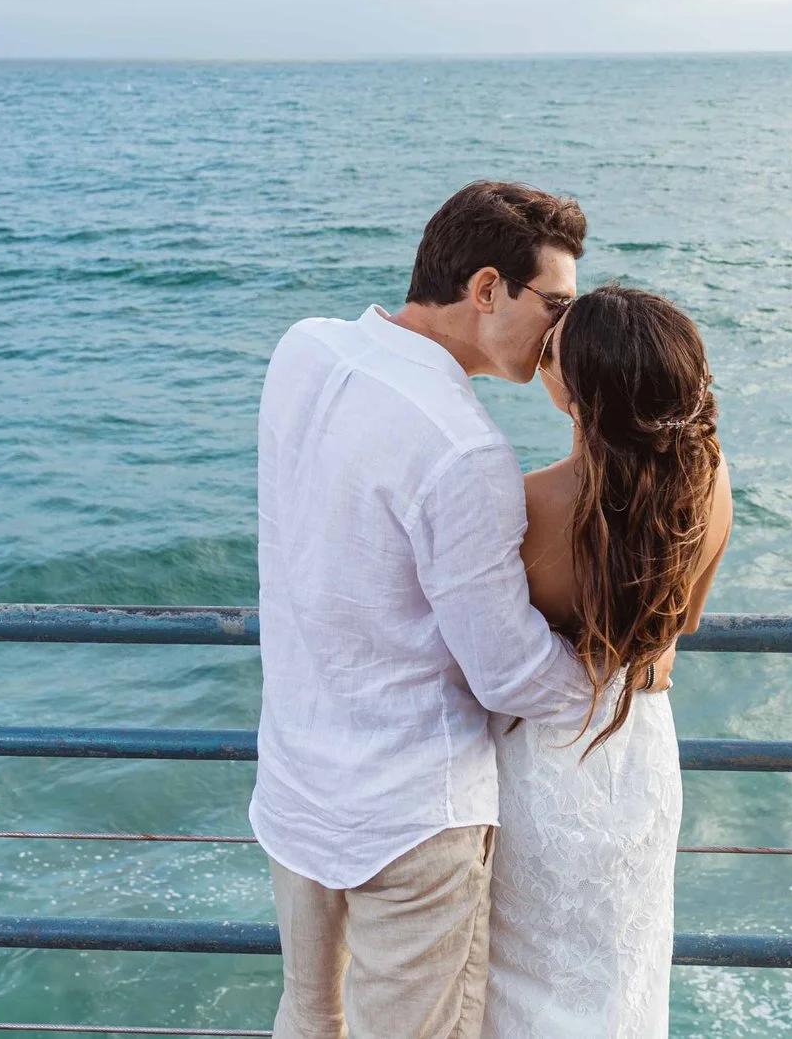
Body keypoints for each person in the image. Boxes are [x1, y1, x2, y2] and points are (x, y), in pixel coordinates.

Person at [253, 181, 599, 1039]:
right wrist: (606, 687)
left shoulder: (305, 349)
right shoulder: (466, 448)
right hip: (411, 815)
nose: (563, 334)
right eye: (554, 305)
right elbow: (509, 668)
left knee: (306, 1013)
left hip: (296, 784)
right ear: (487, 289)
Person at [484, 285, 734, 1039]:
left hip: (545, 761)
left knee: (521, 981)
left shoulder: (523, 505)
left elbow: (480, 651)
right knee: (623, 981)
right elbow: (679, 624)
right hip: (641, 750)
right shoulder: (710, 480)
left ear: (573, 391)